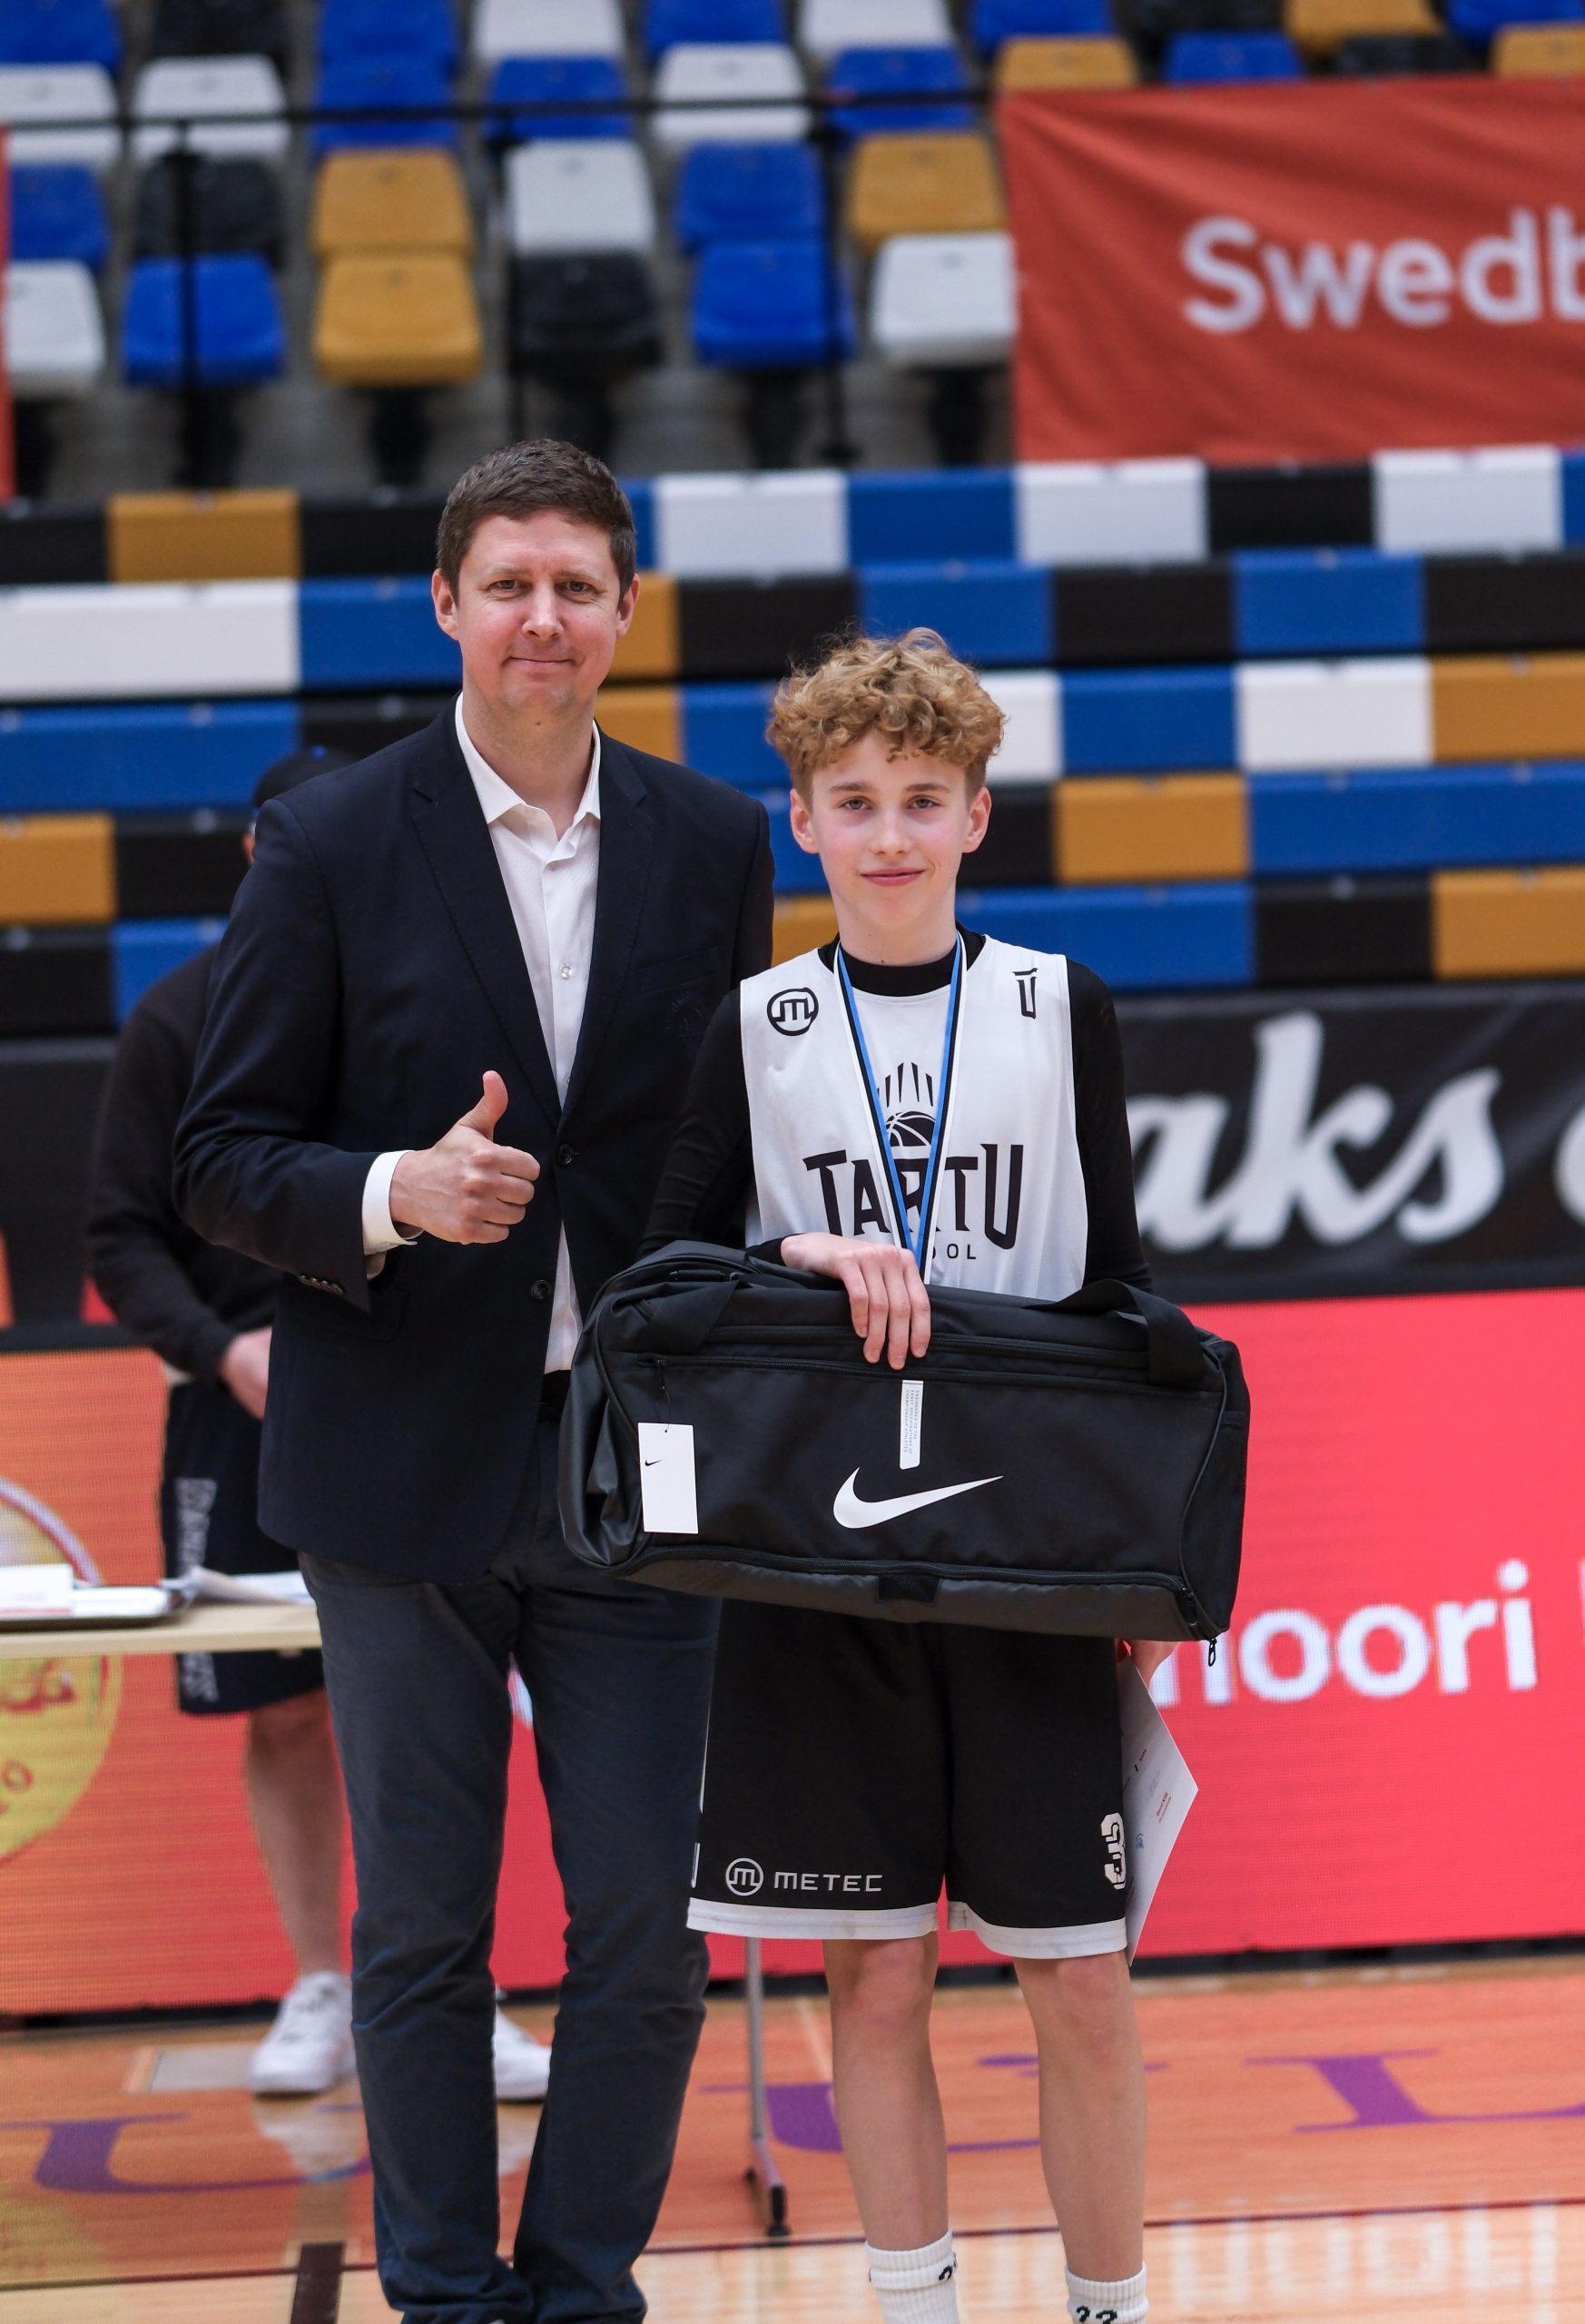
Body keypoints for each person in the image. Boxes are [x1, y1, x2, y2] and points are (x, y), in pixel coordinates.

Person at [174, 440, 773, 2324]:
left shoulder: (712, 840)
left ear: (625, 612)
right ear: (445, 605)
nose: (542, 617)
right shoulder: (336, 840)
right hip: (397, 1458)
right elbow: (219, 1154)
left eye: (576, 584)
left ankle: (582, 2286)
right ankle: (443, 2292)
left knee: (648, 1931)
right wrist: (390, 1191)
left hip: (631, 1457)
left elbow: (727, 1150)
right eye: (507, 582)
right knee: (425, 1929)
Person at [645, 629, 1167, 2324]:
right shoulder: (754, 1026)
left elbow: (1118, 1291)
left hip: (1025, 1558)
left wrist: (1135, 1566)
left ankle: (1106, 2309)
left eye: (921, 799)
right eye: (854, 801)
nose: (888, 834)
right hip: (821, 1561)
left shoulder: (1058, 1005)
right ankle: (911, 2308)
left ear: (975, 819)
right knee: (872, 1979)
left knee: (1077, 1983)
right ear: (800, 819)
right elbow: (661, 1280)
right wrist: (796, 1249)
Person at [85, 747, 553, 2107]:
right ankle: (318, 1983)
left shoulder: (441, 992)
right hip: (239, 1409)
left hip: (418, 1392)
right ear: (259, 856)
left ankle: (461, 1991)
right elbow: (121, 1235)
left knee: (445, 1706)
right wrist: (223, 1350)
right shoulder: (178, 1017)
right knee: (284, 1709)